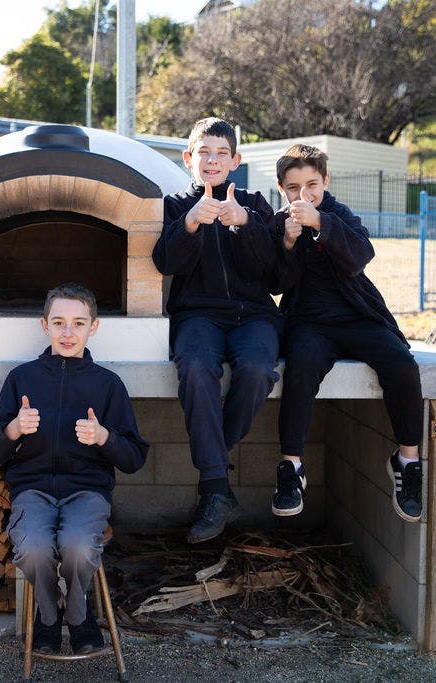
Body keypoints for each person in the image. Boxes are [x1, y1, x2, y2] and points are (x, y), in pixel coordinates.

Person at [0, 283, 149, 656]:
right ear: (44, 326)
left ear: (94, 327)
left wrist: (104, 437)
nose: (68, 333)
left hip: (86, 492)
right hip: (33, 490)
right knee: (35, 549)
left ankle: (78, 615)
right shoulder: (22, 379)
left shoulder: (107, 385)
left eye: (78, 323)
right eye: (59, 322)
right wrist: (13, 429)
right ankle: (48, 616)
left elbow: (135, 458)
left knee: (76, 546)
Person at [270, 144, 424, 522]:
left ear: (326, 181)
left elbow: (360, 257)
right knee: (301, 367)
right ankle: (291, 466)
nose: (303, 194)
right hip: (309, 322)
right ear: (280, 189)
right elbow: (274, 283)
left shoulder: (339, 215)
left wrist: (321, 224)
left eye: (311, 184)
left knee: (401, 363)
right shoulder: (279, 223)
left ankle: (407, 460)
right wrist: (288, 242)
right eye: (293, 188)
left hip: (358, 316)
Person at [151, 117, 281, 543]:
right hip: (197, 316)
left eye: (222, 153)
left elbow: (272, 273)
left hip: (254, 315)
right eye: (203, 152)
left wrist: (245, 225)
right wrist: (190, 224)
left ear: (235, 161)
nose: (212, 160)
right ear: (189, 158)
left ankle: (213, 481)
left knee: (259, 369)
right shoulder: (173, 205)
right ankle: (216, 488)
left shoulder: (256, 203)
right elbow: (165, 264)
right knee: (194, 367)